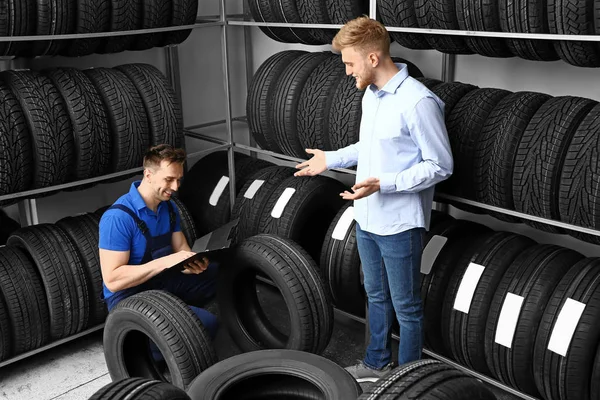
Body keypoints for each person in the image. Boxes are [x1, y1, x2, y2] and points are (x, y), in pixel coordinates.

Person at [295, 16, 453, 382]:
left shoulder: (418, 102)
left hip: (399, 223)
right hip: (366, 216)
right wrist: (329, 159)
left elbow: (440, 165)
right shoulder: (371, 95)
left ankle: (407, 381)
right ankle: (376, 363)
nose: (347, 72)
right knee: (375, 295)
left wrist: (386, 183)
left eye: (350, 63)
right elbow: (370, 147)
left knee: (407, 308)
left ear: (372, 59)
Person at [99, 144, 218, 340]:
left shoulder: (168, 208)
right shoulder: (117, 218)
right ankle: (145, 349)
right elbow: (112, 280)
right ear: (148, 175)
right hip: (129, 298)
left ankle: (181, 316)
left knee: (220, 273)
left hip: (162, 282)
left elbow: (181, 250)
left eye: (178, 180)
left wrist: (193, 264)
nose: (175, 187)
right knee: (206, 325)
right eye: (169, 179)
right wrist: (164, 262)